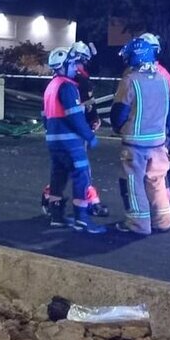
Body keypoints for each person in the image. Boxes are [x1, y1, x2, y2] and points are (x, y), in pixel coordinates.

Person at [110, 36, 170, 235]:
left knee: (134, 183)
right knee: (157, 181)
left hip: (135, 144)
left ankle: (139, 224)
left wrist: (119, 127)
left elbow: (119, 112)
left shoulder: (130, 80)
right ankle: (163, 220)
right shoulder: (163, 79)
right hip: (158, 143)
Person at [40, 41, 110, 217]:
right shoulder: (70, 83)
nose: (79, 65)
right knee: (81, 172)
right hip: (72, 135)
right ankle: (84, 213)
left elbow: (46, 114)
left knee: (62, 173)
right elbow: (76, 112)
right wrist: (88, 132)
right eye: (77, 61)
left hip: (59, 136)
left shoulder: (55, 83)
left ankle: (56, 207)